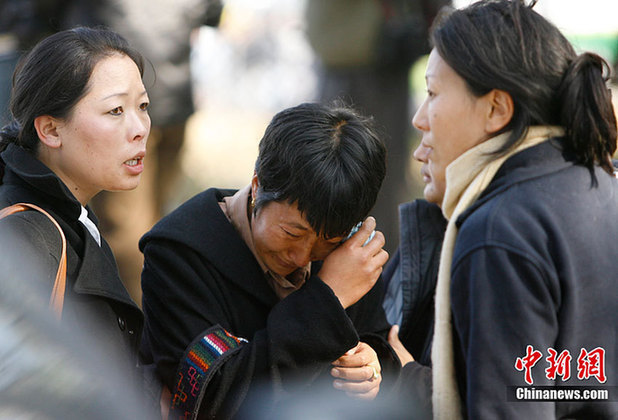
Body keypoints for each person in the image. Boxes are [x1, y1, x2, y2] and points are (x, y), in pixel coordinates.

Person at [389, 1, 618, 418]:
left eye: (434, 93)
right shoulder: (599, 180)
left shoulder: (499, 233)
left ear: (496, 109)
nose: (420, 118)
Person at [139, 102, 400, 419]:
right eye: (292, 232)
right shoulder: (179, 254)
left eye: (328, 240)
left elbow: (379, 341)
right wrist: (326, 299)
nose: (302, 255)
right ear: (257, 186)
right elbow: (213, 396)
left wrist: (369, 365)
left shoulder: (347, 252)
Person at [0, 27, 150, 402]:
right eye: (115, 110)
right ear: (50, 129)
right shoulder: (26, 236)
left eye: (143, 106)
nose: (139, 129)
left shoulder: (72, 209)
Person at [305, 0, 451, 254]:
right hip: (352, 55)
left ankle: (374, 272)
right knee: (336, 175)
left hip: (373, 59)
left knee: (372, 180)